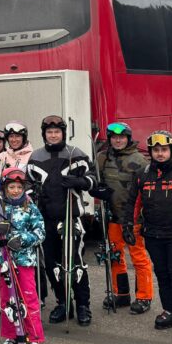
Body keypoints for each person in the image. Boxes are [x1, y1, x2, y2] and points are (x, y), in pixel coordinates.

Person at [122, 132, 172, 337]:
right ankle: (170, 311)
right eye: (156, 150)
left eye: (164, 150)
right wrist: (128, 227)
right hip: (153, 234)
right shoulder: (142, 175)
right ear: (150, 152)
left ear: (171, 151)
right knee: (162, 273)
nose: (160, 154)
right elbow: (133, 203)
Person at [28, 115, 98, 326]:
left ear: (63, 133)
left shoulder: (75, 154)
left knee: (75, 262)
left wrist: (80, 181)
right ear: (44, 134)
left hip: (71, 216)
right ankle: (63, 303)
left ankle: (83, 305)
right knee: (52, 264)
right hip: (46, 219)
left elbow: (94, 180)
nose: (53, 135)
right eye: (49, 132)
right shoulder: (36, 157)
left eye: (57, 132)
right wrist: (33, 192)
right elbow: (27, 185)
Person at [0, 167, 45, 344]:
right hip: (3, 259)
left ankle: (34, 337)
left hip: (24, 260)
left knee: (28, 298)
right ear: (5, 188)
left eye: (19, 187)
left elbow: (40, 232)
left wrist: (23, 239)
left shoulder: (30, 207)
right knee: (8, 299)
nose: (16, 190)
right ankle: (11, 335)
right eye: (12, 187)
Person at [95, 122, 153, 313]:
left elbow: (148, 192)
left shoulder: (140, 161)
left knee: (138, 257)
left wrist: (146, 217)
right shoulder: (102, 158)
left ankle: (144, 297)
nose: (118, 141)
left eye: (121, 137)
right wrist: (96, 189)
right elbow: (94, 179)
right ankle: (121, 294)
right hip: (112, 217)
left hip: (133, 219)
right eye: (114, 137)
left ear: (128, 138)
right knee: (115, 256)